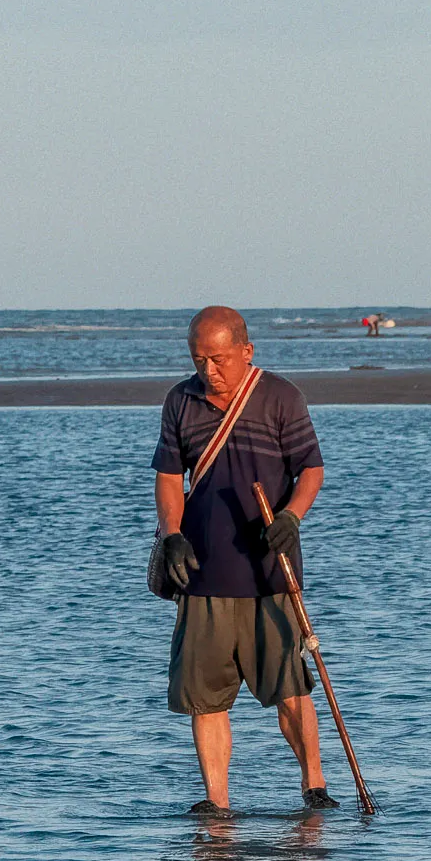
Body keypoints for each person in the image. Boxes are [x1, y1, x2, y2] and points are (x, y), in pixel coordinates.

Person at [150, 305, 335, 815]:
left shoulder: (281, 397)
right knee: (203, 695)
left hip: (271, 570)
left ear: (246, 351)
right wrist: (172, 535)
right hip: (202, 572)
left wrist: (292, 516)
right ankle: (217, 801)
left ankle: (314, 785)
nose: (209, 370)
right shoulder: (180, 400)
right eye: (199, 359)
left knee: (290, 685)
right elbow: (169, 476)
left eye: (219, 359)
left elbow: (311, 469)